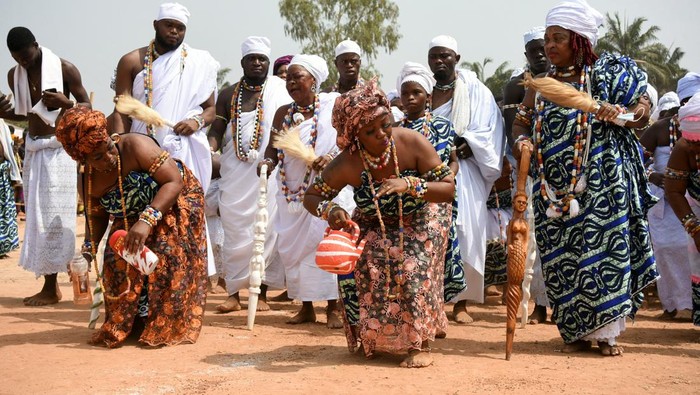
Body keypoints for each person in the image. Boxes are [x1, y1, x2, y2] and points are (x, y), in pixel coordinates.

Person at [512, 0, 658, 356]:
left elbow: (643, 112)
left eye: (557, 38)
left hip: (604, 182)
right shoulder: (540, 84)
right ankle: (575, 330)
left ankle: (607, 334)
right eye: (547, 39)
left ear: (579, 40)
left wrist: (622, 113)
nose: (549, 46)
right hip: (552, 190)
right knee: (562, 260)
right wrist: (522, 141)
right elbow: (520, 122)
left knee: (602, 253)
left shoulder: (609, 72)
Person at [303, 80, 455, 367]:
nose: (382, 134)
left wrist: (410, 184)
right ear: (355, 135)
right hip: (374, 220)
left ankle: (416, 344)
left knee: (409, 264)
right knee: (356, 266)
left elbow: (448, 188)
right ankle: (369, 338)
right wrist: (331, 209)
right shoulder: (347, 163)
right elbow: (311, 196)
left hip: (423, 216)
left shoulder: (411, 141)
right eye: (370, 132)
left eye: (385, 124)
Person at [55, 106, 207, 348]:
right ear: (82, 158)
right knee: (115, 259)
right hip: (130, 214)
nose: (109, 157)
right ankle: (133, 319)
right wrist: (86, 252)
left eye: (108, 147)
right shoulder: (87, 179)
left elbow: (173, 181)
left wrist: (146, 221)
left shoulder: (135, 146)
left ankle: (162, 319)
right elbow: (96, 219)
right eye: (97, 157)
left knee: (163, 249)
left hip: (173, 201)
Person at [0, 27, 90, 306]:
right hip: (34, 149)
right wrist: (4, 113)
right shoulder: (15, 75)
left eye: (27, 57)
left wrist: (68, 103)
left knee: (57, 218)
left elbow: (87, 105)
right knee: (38, 219)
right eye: (18, 59)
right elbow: (26, 114)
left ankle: (55, 286)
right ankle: (51, 284)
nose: (24, 63)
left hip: (60, 149)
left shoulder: (64, 68)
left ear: (37, 46)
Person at [258, 54, 345, 328]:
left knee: (324, 242)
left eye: (299, 77)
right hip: (290, 191)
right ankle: (306, 307)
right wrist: (268, 162)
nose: (292, 82)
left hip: (325, 187)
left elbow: (345, 141)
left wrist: (330, 159)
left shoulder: (332, 107)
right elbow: (273, 147)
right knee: (292, 248)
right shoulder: (283, 113)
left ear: (314, 81)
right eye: (290, 77)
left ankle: (333, 308)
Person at [208, 36, 290, 313]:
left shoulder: (280, 90)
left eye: (262, 59)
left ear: (268, 62)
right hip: (234, 174)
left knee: (265, 230)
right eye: (251, 59)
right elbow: (217, 131)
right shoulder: (228, 93)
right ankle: (233, 294)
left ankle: (261, 292)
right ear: (242, 62)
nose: (257, 63)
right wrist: (209, 150)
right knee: (234, 231)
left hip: (267, 173)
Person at [428, 35, 505, 323]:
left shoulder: (475, 90)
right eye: (434, 56)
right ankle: (433, 303)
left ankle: (461, 304)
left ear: (456, 58)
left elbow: (491, 128)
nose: (439, 61)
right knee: (432, 232)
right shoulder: (424, 90)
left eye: (445, 56)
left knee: (465, 232)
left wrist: (465, 144)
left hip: (466, 171)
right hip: (429, 171)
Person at [112, 2, 219, 193]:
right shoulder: (131, 61)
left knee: (185, 208)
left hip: (185, 149)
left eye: (180, 28)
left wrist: (196, 121)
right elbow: (122, 110)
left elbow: (211, 109)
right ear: (155, 25)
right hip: (141, 145)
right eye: (168, 25)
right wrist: (121, 144)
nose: (174, 31)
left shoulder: (199, 63)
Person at [396, 62, 466, 311]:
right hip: (405, 202)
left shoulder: (443, 126)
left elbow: (454, 162)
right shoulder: (394, 130)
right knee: (410, 261)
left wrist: (445, 177)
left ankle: (435, 314)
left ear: (428, 97)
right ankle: (415, 313)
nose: (410, 98)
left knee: (435, 259)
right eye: (405, 94)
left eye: (416, 93)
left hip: (437, 199)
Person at [639, 75, 700, 320]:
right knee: (668, 249)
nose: (689, 105)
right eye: (686, 101)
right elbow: (636, 160)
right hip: (667, 204)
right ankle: (676, 304)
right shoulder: (662, 131)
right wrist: (652, 175)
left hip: (690, 201)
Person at [665, 92, 700, 328]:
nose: (696, 149)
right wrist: (695, 229)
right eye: (693, 143)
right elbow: (674, 191)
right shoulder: (682, 149)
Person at [503, 27, 549, 145]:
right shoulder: (515, 87)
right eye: (532, 51)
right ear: (526, 55)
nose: (539, 54)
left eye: (542, 49)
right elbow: (513, 130)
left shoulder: (566, 78)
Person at [0, 119, 20, 256]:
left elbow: (7, 150)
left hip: (3, 173)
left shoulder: (3, 125)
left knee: (5, 211)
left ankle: (3, 246)